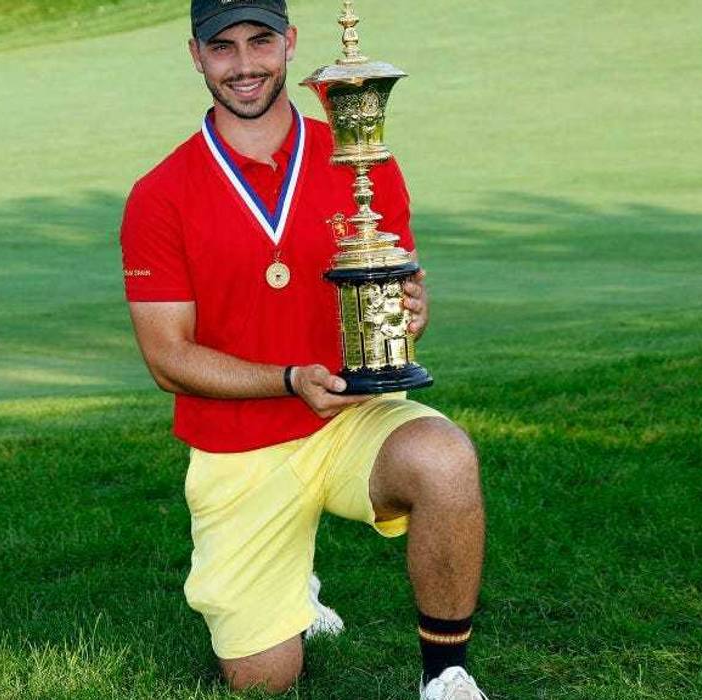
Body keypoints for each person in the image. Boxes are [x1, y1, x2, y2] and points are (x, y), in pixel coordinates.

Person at [118, 1, 488, 697]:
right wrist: (288, 379)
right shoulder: (159, 195)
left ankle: (446, 674)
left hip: (352, 418)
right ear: (196, 57)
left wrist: (409, 313)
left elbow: (395, 307)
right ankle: (293, 581)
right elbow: (167, 358)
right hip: (239, 446)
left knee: (445, 460)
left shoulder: (361, 158)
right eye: (222, 48)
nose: (245, 64)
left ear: (289, 44)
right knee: (263, 681)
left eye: (260, 41)